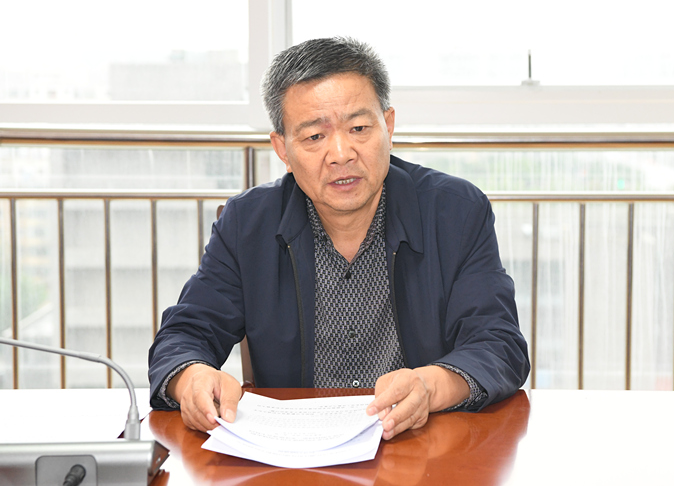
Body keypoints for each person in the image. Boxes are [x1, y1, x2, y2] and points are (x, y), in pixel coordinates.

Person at [148, 37, 530, 440]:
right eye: (315, 137)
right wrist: (192, 378)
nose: (341, 153)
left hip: (421, 445)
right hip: (294, 451)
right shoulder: (248, 223)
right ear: (282, 148)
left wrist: (430, 385)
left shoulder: (454, 211)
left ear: (389, 126)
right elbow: (184, 335)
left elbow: (498, 342)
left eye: (359, 128)